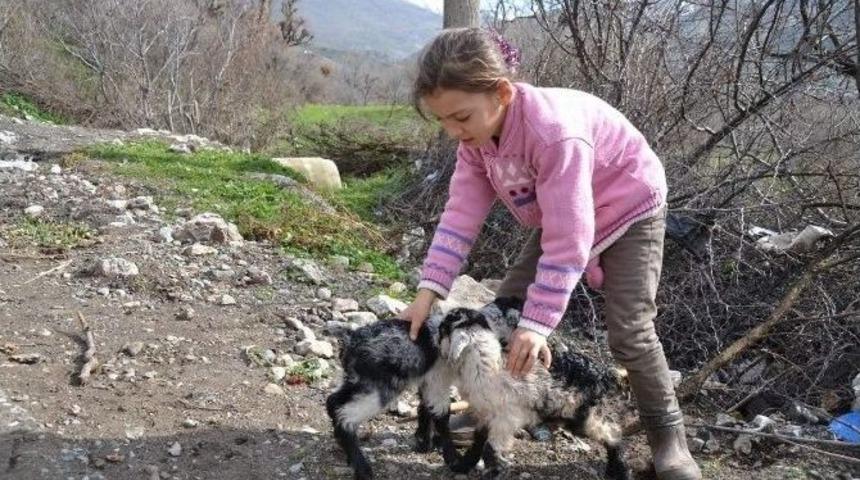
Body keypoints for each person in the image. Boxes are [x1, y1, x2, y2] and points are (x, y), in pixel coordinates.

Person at [398, 28, 702, 480]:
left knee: (630, 332)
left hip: (627, 208)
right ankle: (493, 409)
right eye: (442, 121)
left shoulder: (554, 133)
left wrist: (539, 324)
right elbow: (460, 216)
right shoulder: (475, 143)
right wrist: (429, 289)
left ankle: (670, 444)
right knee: (502, 312)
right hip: (562, 213)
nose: (453, 132)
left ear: (502, 93)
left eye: (460, 117)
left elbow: (570, 238)